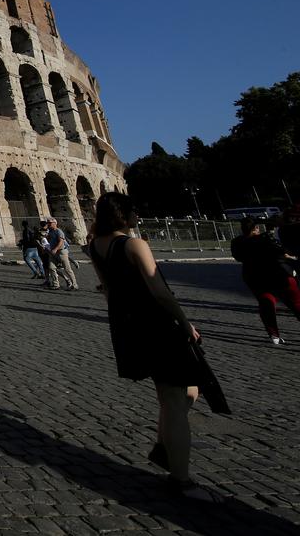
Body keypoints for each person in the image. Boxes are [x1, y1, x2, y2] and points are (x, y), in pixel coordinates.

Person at [85, 192, 219, 502]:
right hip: (156, 323)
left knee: (188, 391)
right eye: (135, 212)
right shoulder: (134, 244)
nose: (138, 217)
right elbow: (159, 289)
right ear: (125, 215)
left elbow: (106, 288)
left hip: (127, 323)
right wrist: (185, 323)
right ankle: (181, 480)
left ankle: (164, 446)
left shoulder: (95, 246)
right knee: (174, 399)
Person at [231, 217, 300, 345]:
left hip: (254, 276)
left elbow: (238, 257)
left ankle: (274, 334)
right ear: (256, 228)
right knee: (296, 303)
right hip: (278, 274)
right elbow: (282, 252)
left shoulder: (237, 242)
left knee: (266, 303)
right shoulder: (265, 238)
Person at [46, 218, 77, 290]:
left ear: (55, 223)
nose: (48, 224)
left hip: (61, 251)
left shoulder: (58, 231)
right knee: (51, 267)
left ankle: (74, 284)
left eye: (50, 223)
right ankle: (56, 284)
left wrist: (56, 249)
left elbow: (61, 241)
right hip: (53, 252)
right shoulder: (50, 232)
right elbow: (48, 241)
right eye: (48, 223)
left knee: (67, 269)